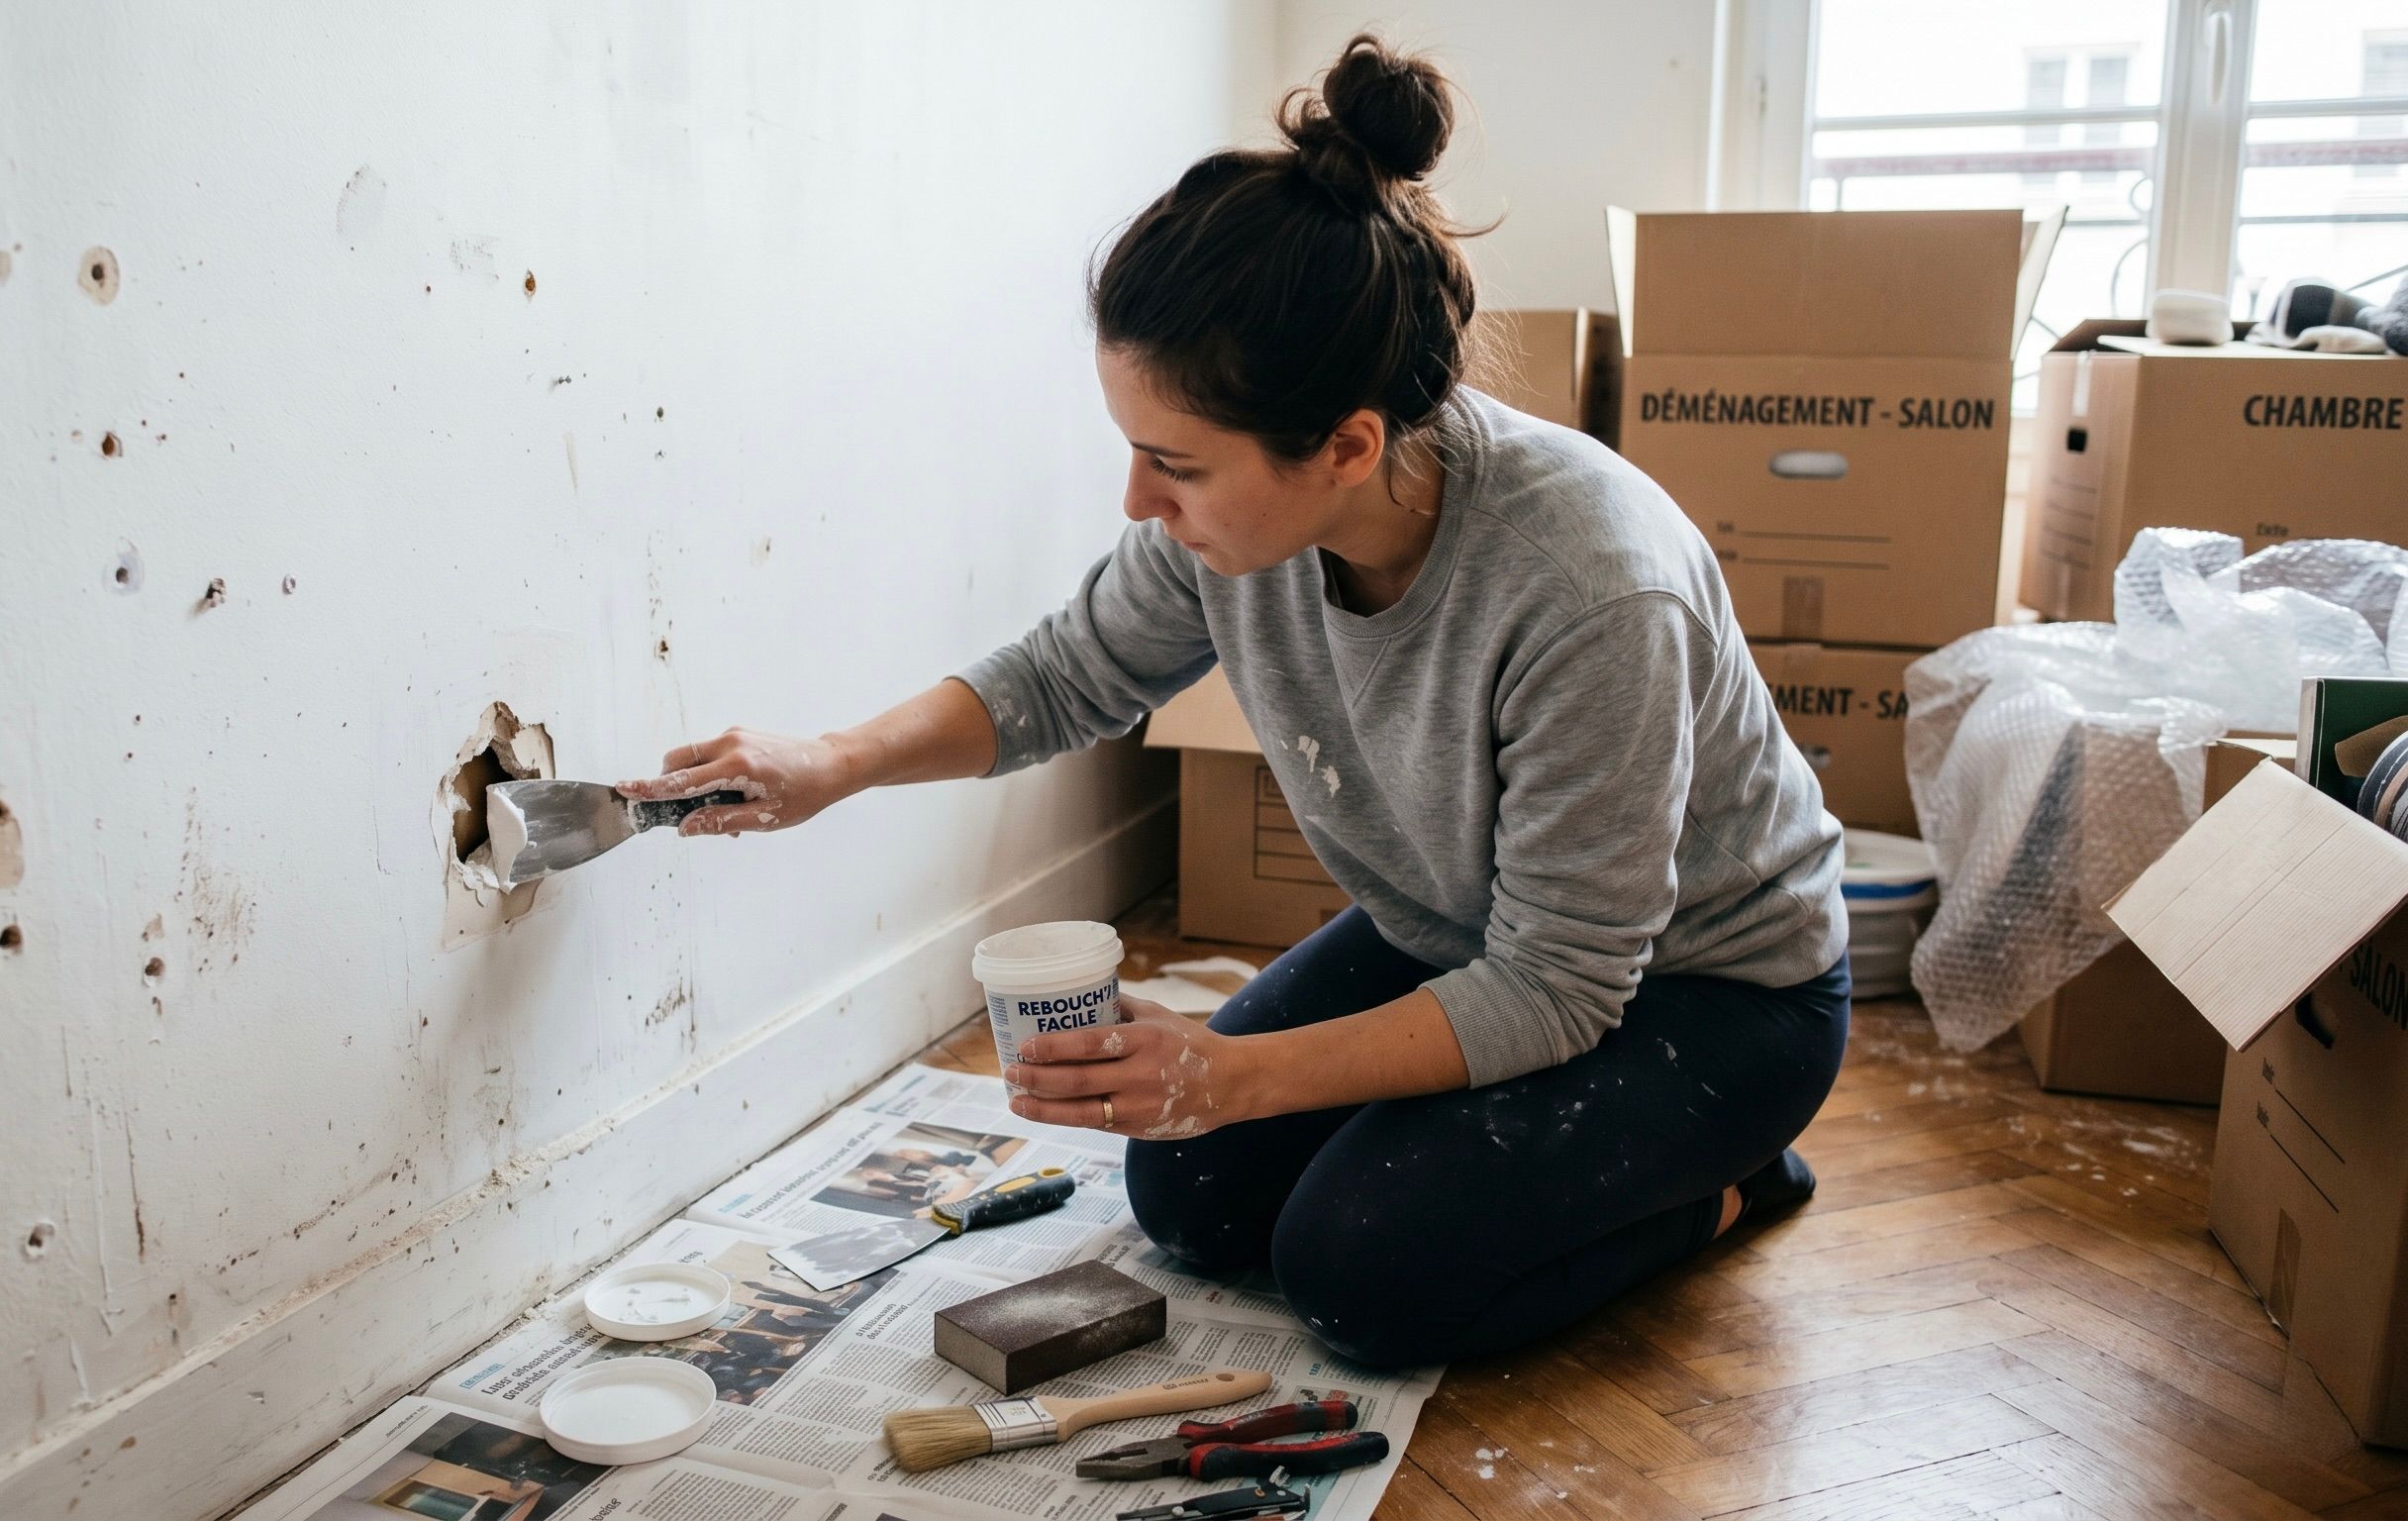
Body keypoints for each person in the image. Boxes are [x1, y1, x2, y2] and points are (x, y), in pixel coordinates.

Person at [621, 35, 1850, 1368]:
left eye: (1172, 465)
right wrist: (834, 760)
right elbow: (1062, 674)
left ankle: (1726, 1184)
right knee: (1191, 1195)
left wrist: (1231, 1068)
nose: (1140, 504)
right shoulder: (1242, 530)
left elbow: (1559, 986)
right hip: (1465, 935)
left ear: (1347, 447)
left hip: (1707, 996)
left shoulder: (1595, 588)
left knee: (1365, 1277)